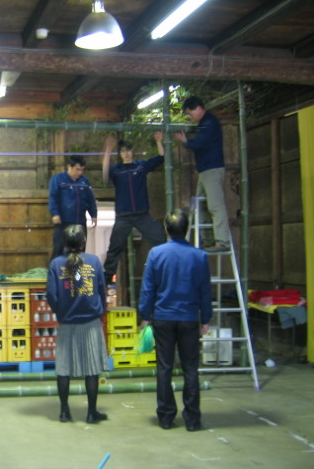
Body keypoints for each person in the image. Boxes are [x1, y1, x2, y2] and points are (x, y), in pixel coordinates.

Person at [138, 209, 212, 432]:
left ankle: (166, 417)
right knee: (190, 368)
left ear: (166, 229)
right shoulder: (200, 256)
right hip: (189, 318)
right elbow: (205, 291)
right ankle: (192, 419)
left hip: (163, 318)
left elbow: (148, 289)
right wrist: (205, 318)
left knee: (164, 368)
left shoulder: (156, 254)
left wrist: (144, 316)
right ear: (187, 229)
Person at [46, 225, 109, 424]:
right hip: (91, 323)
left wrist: (61, 312)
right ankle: (91, 413)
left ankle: (65, 412)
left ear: (64, 243)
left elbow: (51, 295)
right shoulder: (94, 262)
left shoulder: (56, 264)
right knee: (92, 369)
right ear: (83, 242)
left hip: (67, 323)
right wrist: (101, 311)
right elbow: (101, 290)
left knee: (63, 369)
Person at [101, 132, 167, 283]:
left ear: (133, 152)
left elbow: (161, 158)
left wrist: (158, 141)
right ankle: (106, 278)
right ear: (120, 154)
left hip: (142, 214)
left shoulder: (141, 166)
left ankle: (164, 268)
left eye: (129, 150)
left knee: (160, 238)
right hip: (123, 216)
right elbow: (105, 174)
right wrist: (108, 150)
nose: (126, 153)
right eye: (123, 151)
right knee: (115, 247)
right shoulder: (117, 170)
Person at [174, 96, 230, 252]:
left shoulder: (209, 122)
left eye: (189, 113)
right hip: (205, 170)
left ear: (198, 108)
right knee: (201, 205)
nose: (189, 117)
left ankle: (223, 241)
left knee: (215, 206)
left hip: (212, 169)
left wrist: (185, 141)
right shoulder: (204, 123)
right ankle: (208, 240)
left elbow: (199, 143)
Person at [48, 155, 98, 261]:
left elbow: (90, 199)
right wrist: (55, 213)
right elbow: (53, 197)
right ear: (69, 167)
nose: (79, 172)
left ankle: (77, 270)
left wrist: (93, 215)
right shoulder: (58, 179)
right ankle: (54, 271)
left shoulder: (85, 182)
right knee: (58, 249)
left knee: (80, 250)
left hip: (80, 222)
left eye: (81, 170)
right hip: (63, 222)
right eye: (77, 169)